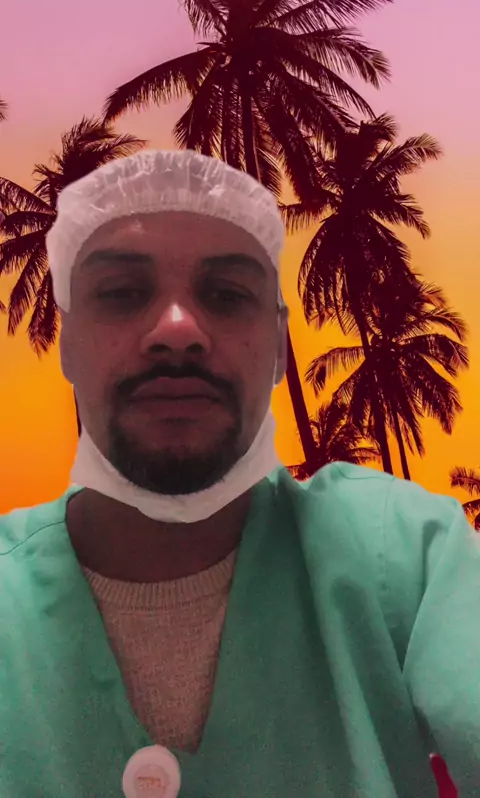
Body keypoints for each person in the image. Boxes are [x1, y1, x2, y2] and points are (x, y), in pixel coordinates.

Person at [0, 150, 478, 798]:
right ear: (67, 343)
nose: (176, 330)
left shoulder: (410, 556)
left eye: (227, 295)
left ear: (279, 346)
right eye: (121, 294)